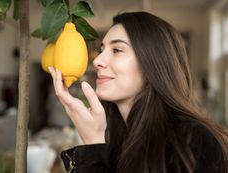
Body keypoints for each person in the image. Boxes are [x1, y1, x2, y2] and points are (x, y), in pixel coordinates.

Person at [48, 11, 228, 173]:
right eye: (102, 50)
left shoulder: (195, 141)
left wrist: (93, 145)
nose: (97, 61)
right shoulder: (121, 140)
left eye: (117, 50)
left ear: (153, 64)